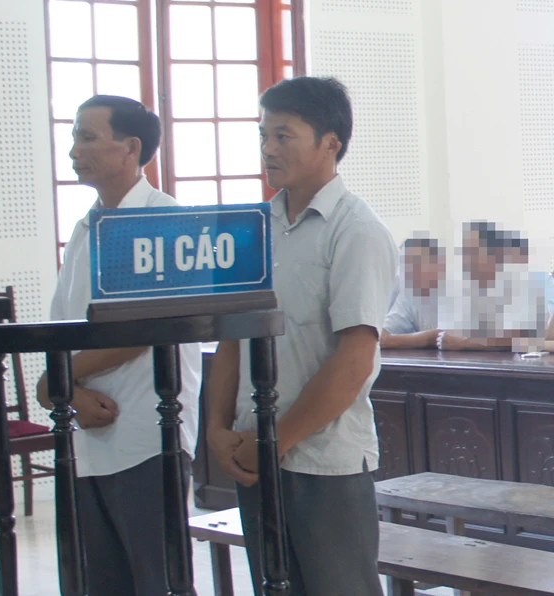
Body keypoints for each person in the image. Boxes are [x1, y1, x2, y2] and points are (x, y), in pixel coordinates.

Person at [207, 77, 397, 596]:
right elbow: (230, 340)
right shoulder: (252, 229)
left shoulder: (355, 231)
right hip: (255, 457)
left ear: (330, 143)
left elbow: (354, 361)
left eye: (283, 136)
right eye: (263, 135)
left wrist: (276, 440)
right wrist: (217, 429)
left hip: (323, 461)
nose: (268, 149)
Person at [35, 95, 202, 596]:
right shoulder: (85, 228)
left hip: (146, 433)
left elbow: (146, 327)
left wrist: (58, 382)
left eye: (88, 138)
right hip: (86, 431)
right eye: (74, 138)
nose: (74, 151)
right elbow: (63, 327)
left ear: (130, 148)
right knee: (101, 582)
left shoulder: (166, 219)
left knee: (159, 579)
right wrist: (66, 390)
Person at [438, 223, 546, 351]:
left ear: (495, 253)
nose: (465, 260)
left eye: (472, 252)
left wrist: (465, 343)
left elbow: (521, 336)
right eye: (463, 253)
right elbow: (446, 335)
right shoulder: (458, 286)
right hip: (472, 358)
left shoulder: (521, 281)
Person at [381, 236, 445, 349]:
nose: (410, 271)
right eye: (405, 265)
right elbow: (381, 338)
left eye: (417, 263)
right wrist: (429, 338)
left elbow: (456, 338)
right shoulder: (409, 295)